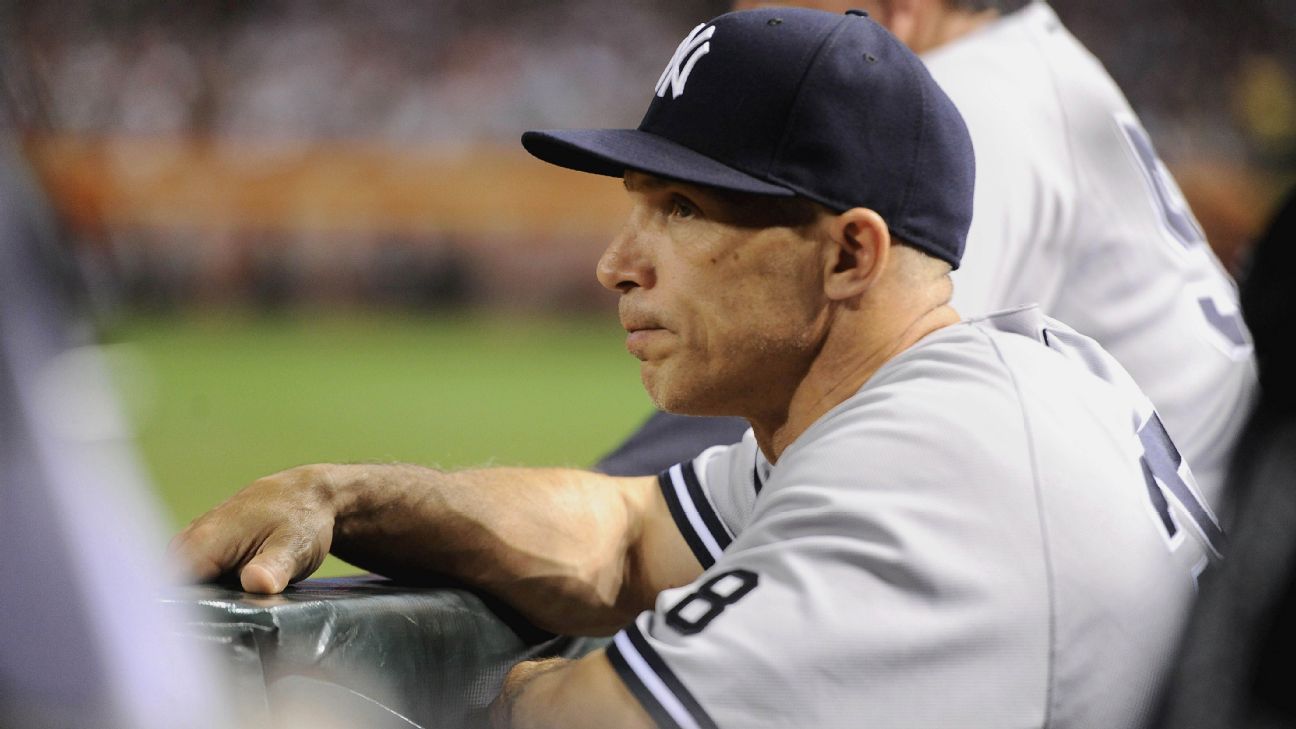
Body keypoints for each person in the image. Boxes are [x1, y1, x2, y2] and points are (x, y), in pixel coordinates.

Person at [172, 9, 1222, 728]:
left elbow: (597, 722)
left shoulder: (936, 467)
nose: (616, 264)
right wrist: (346, 497)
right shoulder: (935, 392)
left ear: (851, 253)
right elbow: (624, 538)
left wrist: (361, 683)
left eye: (683, 211)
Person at [599, 0, 1257, 517]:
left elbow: (860, 389)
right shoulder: (1027, 68)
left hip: (1203, 616)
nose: (743, 20)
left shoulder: (978, 102)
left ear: (899, 7)